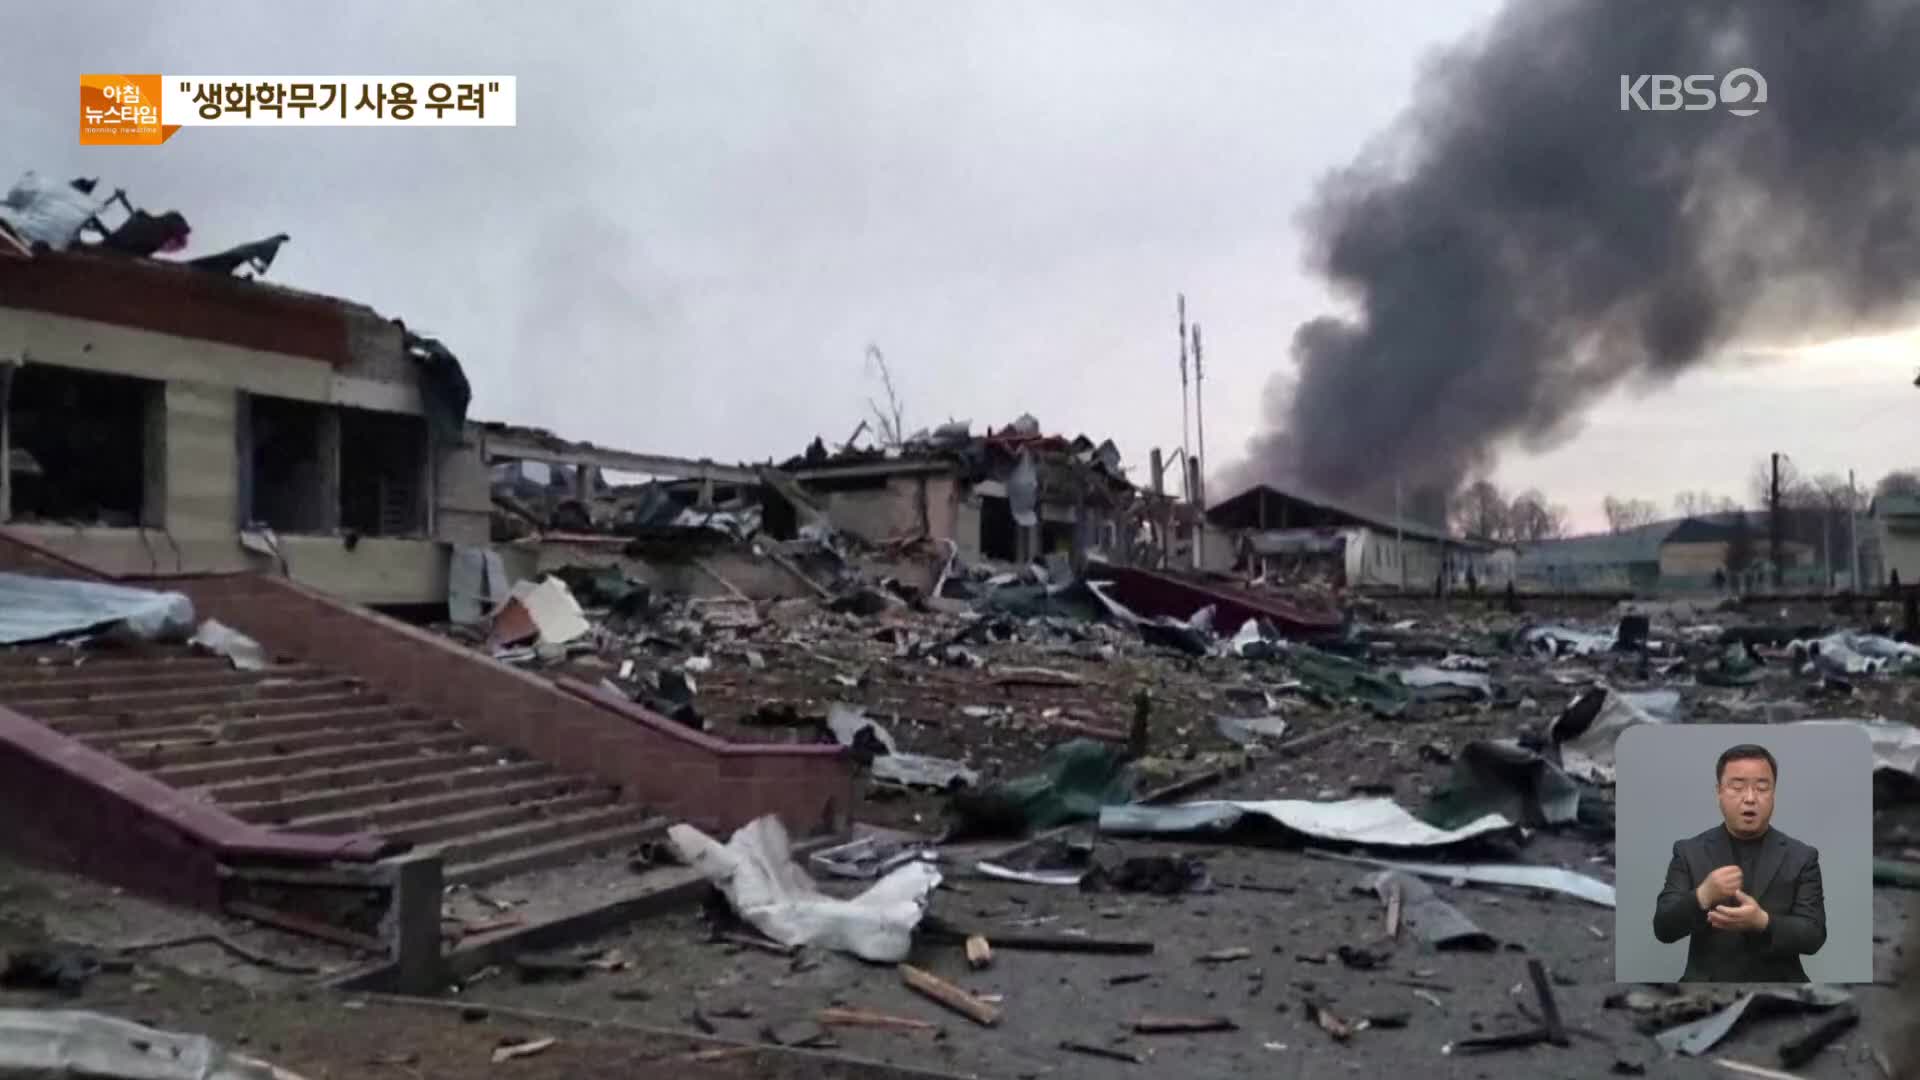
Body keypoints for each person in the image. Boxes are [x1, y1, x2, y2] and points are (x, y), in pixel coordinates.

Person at [1652, 744, 1826, 982]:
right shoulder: (1688, 851)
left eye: (1762, 788)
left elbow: (1813, 936)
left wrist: (1762, 922)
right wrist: (1703, 895)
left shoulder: (1802, 857)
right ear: (1719, 792)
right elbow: (1663, 929)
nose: (1750, 798)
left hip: (1781, 990)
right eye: (1737, 787)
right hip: (1706, 987)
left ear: (1773, 793)